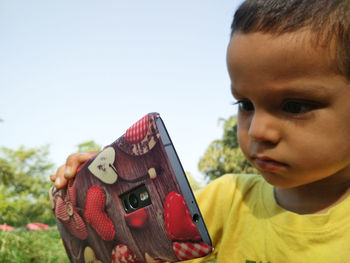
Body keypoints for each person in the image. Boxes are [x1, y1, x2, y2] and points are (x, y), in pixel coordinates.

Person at [50, 0, 350, 262]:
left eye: (295, 106)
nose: (258, 130)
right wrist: (101, 201)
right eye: (245, 104)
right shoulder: (227, 200)